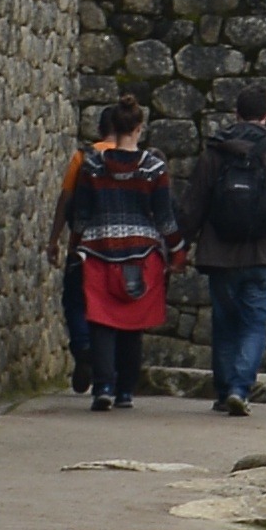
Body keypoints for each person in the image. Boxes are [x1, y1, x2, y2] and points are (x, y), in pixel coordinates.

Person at [184, 90, 266, 415]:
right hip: (264, 255)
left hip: (219, 253)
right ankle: (241, 387)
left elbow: (194, 203)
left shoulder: (215, 152)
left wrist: (180, 245)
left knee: (225, 323)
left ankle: (225, 389)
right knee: (254, 324)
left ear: (236, 114)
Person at [56, 102, 176, 408]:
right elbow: (164, 218)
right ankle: (125, 390)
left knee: (101, 321)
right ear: (139, 129)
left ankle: (104, 386)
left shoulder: (92, 166)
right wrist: (176, 249)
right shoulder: (153, 168)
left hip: (98, 252)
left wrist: (75, 247)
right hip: (141, 254)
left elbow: (81, 214)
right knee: (132, 325)